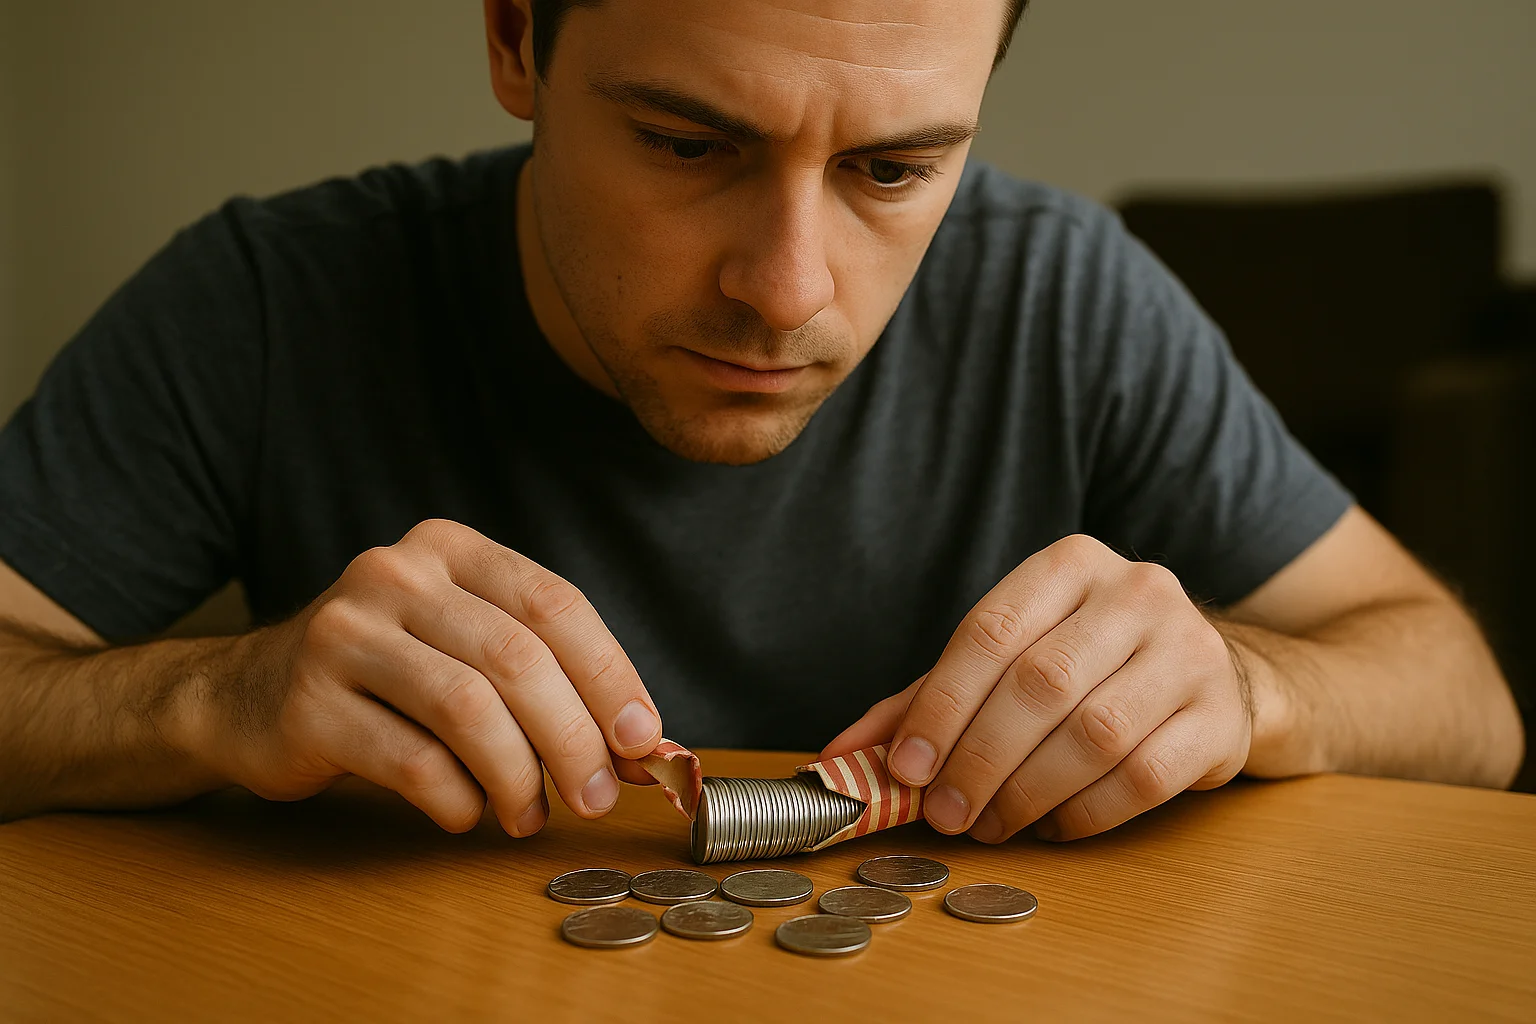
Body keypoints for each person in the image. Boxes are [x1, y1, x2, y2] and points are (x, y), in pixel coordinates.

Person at [0, 0, 1522, 845]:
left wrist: (1250, 693)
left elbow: (1469, 704)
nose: (789, 293)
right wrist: (211, 696)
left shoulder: (1065, 295)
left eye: (896, 170)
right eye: (686, 142)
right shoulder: (270, 299)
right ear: (519, 39)